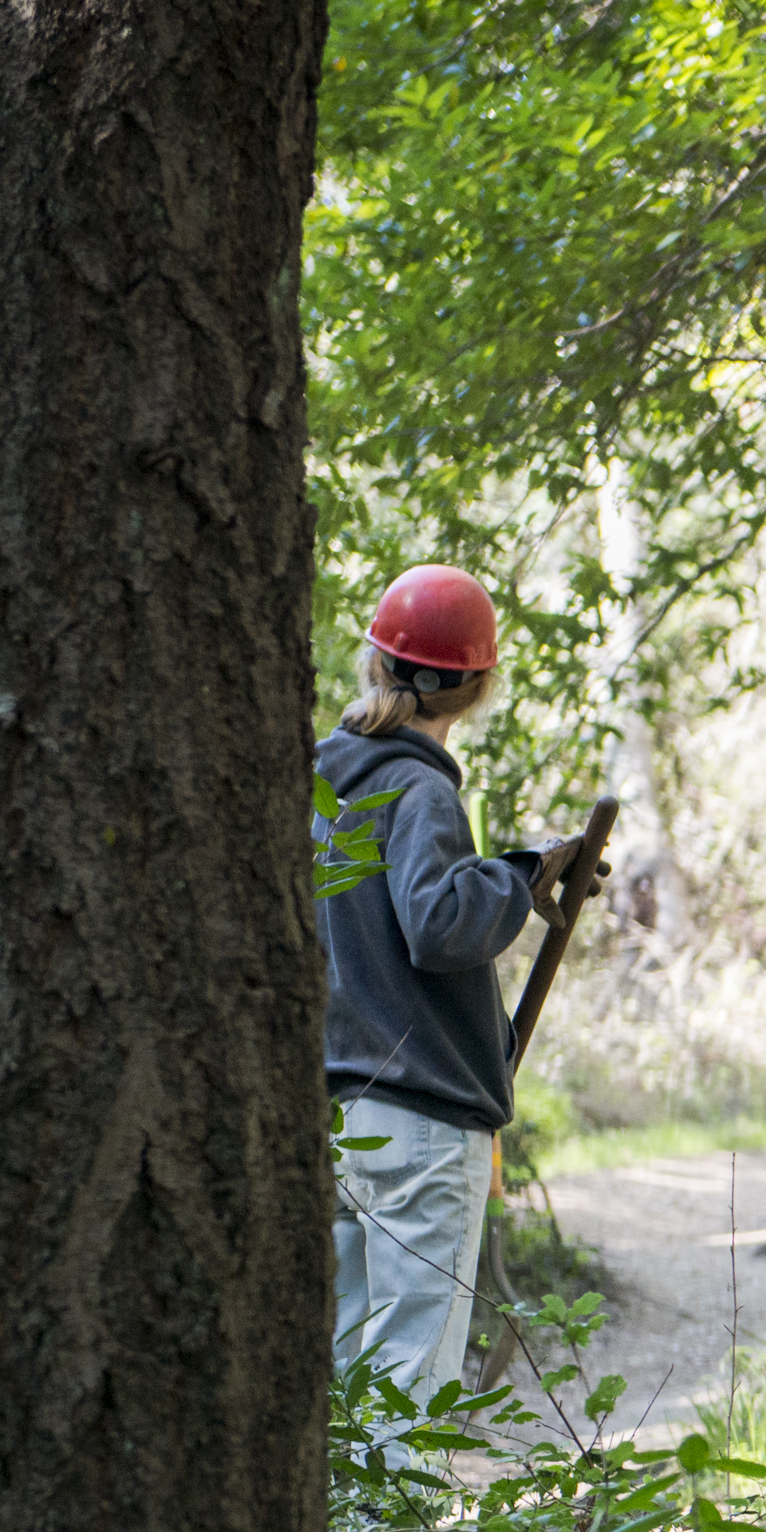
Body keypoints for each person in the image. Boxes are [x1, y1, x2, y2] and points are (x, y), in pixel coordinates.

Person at [318, 565, 600, 1440]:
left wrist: (516, 875)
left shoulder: (320, 780)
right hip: (422, 1124)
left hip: (336, 1117)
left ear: (373, 659)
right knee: (411, 1376)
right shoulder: (421, 787)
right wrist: (517, 879)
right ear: (477, 688)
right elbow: (438, 922)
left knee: (347, 1369)